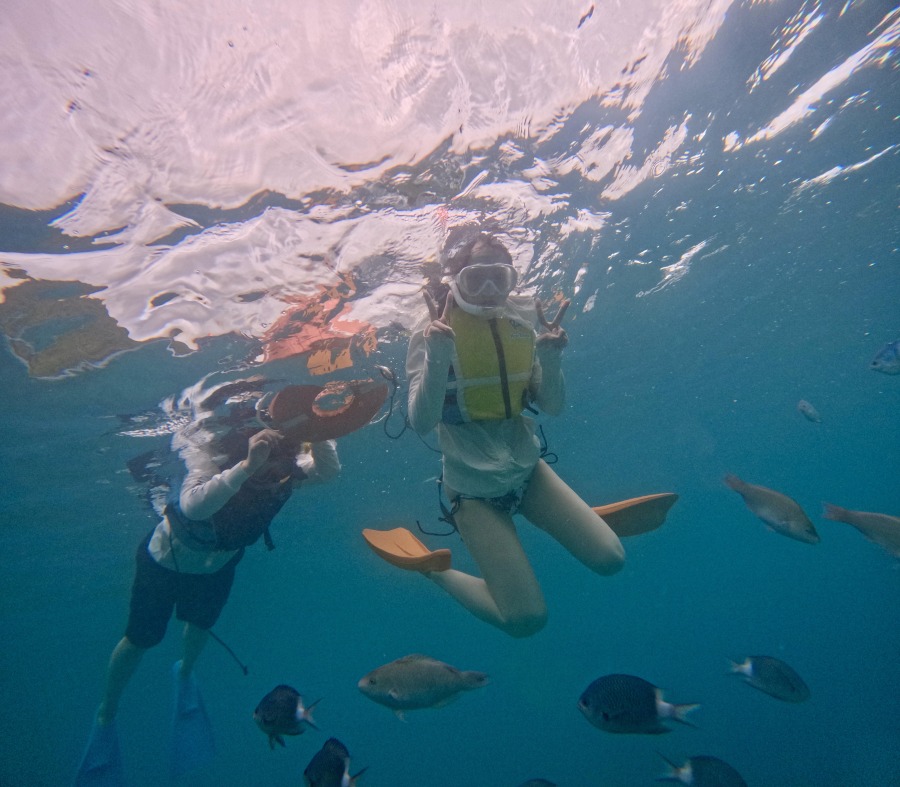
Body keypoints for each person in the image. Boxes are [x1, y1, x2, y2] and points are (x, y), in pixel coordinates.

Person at [75, 375, 341, 785]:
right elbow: (194, 507)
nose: (274, 479)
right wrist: (248, 466)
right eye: (266, 471)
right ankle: (106, 711)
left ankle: (184, 675)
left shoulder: (284, 468)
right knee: (142, 639)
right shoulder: (208, 452)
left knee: (200, 625)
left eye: (278, 471)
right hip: (166, 561)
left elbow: (327, 471)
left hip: (218, 567)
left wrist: (320, 432)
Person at [364, 232, 625, 638]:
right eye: (475, 279)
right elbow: (420, 421)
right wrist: (437, 357)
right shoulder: (432, 332)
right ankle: (434, 572)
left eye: (498, 279)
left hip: (528, 473)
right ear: (454, 281)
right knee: (525, 620)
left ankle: (574, 522)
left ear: (512, 281)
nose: (488, 291)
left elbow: (552, 406)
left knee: (612, 560)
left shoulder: (521, 322)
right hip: (473, 492)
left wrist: (552, 360)